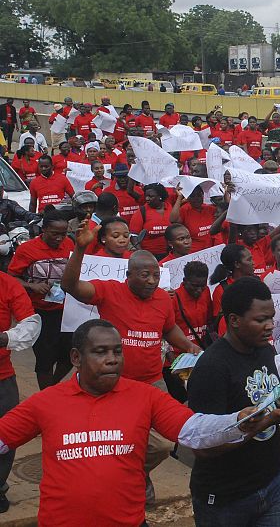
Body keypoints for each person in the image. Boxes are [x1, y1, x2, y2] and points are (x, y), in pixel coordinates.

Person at [0, 318, 280, 527]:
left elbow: (193, 430)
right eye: (100, 352)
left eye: (117, 351)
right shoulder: (46, 402)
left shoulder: (144, 396)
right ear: (76, 357)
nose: (113, 359)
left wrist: (239, 421)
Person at [62, 224, 202, 503]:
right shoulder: (109, 292)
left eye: (156, 275)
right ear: (128, 276)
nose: (152, 281)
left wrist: (187, 345)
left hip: (152, 383)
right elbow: (70, 286)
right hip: (111, 385)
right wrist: (79, 248)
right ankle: (119, 483)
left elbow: (168, 328)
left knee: (163, 443)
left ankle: (132, 473)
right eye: (145, 275)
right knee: (107, 440)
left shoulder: (163, 298)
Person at [188, 278, 280, 524]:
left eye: (271, 318)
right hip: (226, 499)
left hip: (274, 484)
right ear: (234, 321)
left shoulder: (265, 350)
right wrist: (264, 423)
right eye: (260, 320)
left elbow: (271, 403)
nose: (270, 326)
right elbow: (203, 448)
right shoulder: (212, 368)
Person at [7, 207, 74, 389]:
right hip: (40, 312)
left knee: (70, 355)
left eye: (63, 233)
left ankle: (52, 387)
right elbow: (11, 278)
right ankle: (47, 394)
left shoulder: (69, 245)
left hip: (67, 312)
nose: (60, 238)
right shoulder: (27, 250)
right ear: (43, 230)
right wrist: (32, 286)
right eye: (54, 234)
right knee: (45, 359)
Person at [0, 270, 41, 514]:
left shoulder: (7, 284)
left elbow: (31, 323)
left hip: (2, 377)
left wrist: (4, 338)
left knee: (6, 435)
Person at [166, 261, 213, 402]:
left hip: (199, 358)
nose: (198, 290)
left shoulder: (206, 293)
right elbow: (165, 331)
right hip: (177, 362)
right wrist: (173, 364)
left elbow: (209, 321)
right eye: (194, 286)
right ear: (184, 281)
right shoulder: (173, 298)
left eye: (202, 286)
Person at [129, 183, 172, 259]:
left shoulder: (170, 208)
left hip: (170, 254)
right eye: (146, 196)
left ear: (160, 197)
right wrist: (142, 254)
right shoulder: (142, 211)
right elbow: (134, 236)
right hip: (149, 256)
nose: (147, 199)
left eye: (151, 196)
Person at [170, 184, 215, 252]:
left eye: (199, 195)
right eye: (192, 196)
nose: (196, 198)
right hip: (194, 253)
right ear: (188, 198)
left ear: (203, 196)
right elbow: (173, 220)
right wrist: (179, 197)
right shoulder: (184, 210)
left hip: (212, 252)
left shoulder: (210, 209)